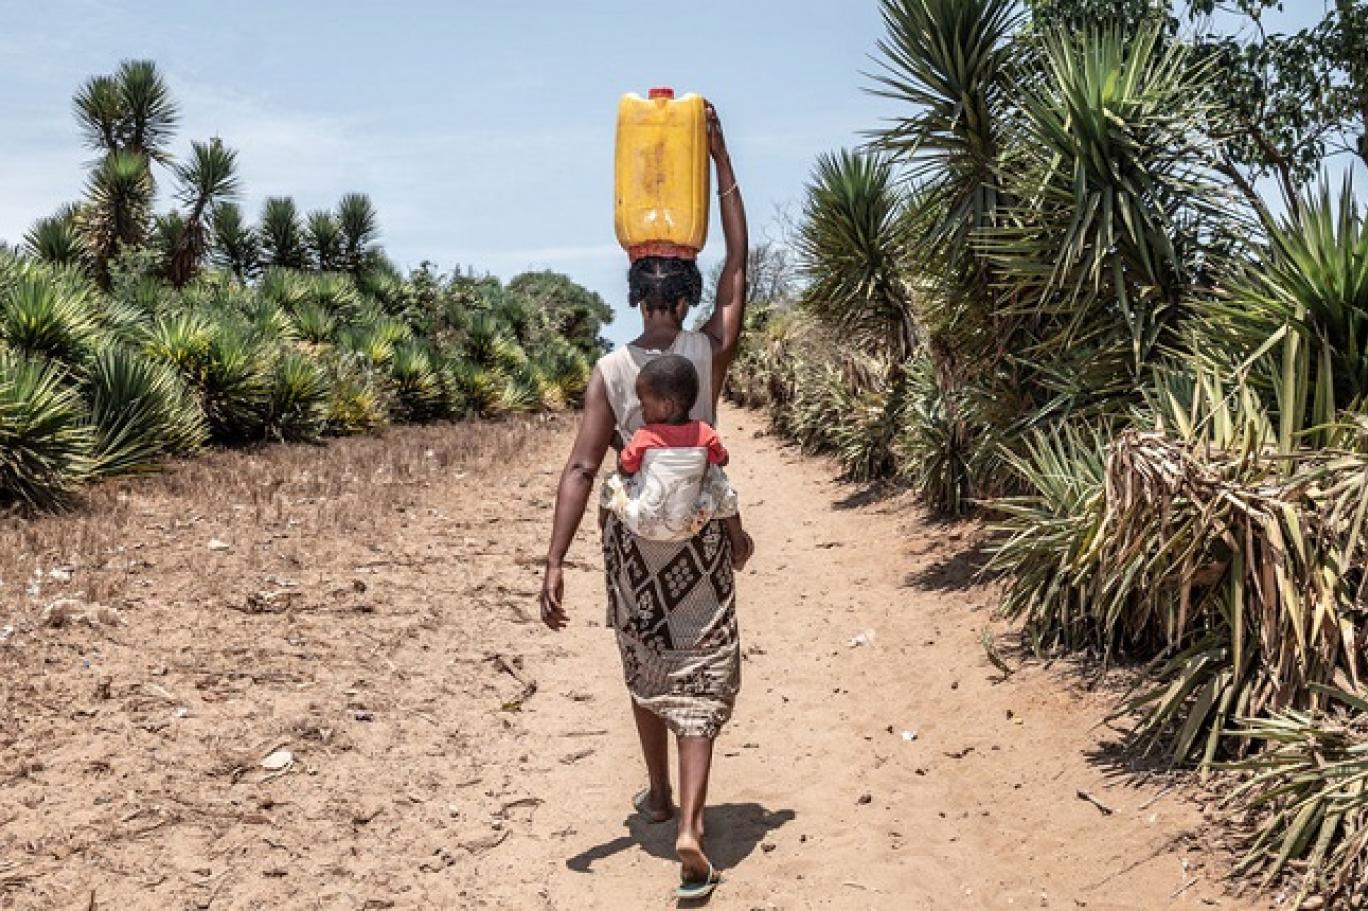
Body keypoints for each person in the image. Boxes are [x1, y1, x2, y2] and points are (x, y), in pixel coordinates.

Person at [540, 101, 750, 900]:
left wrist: (554, 559)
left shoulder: (611, 370)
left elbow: (579, 467)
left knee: (648, 660)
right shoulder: (707, 350)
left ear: (637, 296)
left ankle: (657, 795)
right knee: (701, 667)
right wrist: (720, 160)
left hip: (633, 547)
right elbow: (739, 263)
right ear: (688, 294)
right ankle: (691, 822)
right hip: (700, 539)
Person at [604, 354, 750, 567]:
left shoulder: (645, 436)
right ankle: (738, 545)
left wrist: (623, 453)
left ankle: (605, 532)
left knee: (611, 482)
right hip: (692, 524)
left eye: (644, 404)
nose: (642, 412)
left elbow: (626, 469)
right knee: (720, 484)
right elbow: (723, 459)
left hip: (643, 523)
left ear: (666, 406)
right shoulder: (704, 432)